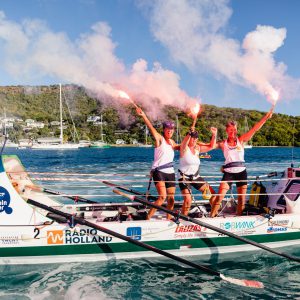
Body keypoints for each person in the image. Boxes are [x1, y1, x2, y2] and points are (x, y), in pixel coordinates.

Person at [210, 108, 274, 217]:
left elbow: (254, 129)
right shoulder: (223, 144)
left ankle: (239, 218)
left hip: (241, 172)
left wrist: (265, 118)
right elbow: (210, 146)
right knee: (220, 196)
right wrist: (214, 135)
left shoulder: (241, 140)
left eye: (234, 130)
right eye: (230, 130)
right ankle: (212, 216)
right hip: (228, 173)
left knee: (241, 198)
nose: (233, 132)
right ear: (226, 131)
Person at [135, 107, 179, 220]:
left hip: (170, 172)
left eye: (172, 129)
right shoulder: (160, 139)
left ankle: (169, 218)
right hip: (159, 171)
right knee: (162, 197)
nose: (170, 131)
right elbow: (151, 128)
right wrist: (144, 116)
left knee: (171, 199)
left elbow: (182, 148)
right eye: (168, 129)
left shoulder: (172, 142)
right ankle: (148, 217)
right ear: (164, 130)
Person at [178, 126, 218, 215]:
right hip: (184, 178)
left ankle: (213, 215)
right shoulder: (184, 148)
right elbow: (184, 142)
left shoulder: (197, 149)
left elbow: (212, 146)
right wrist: (189, 133)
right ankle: (182, 219)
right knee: (188, 200)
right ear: (189, 138)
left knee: (213, 195)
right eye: (193, 138)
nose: (195, 140)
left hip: (196, 177)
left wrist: (214, 134)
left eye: (196, 138)